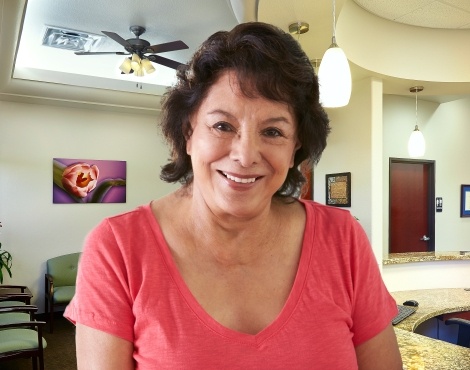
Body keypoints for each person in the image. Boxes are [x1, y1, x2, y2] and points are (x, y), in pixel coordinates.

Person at [64, 22, 402, 369]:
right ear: (188, 132)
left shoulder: (344, 240)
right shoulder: (116, 248)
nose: (245, 155)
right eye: (223, 126)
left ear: (295, 146)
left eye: (273, 131)